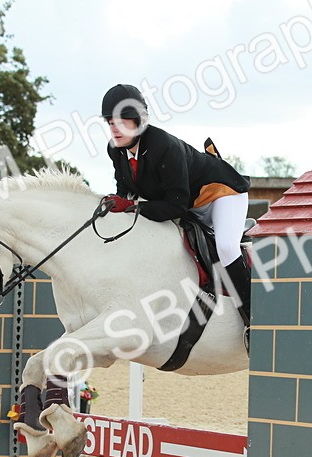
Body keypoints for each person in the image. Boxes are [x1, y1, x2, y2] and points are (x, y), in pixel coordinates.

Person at [100, 84, 253, 320]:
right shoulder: (115, 151)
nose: (114, 129)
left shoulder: (165, 146)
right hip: (190, 206)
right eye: (110, 122)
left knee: (225, 246)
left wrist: (136, 208)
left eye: (121, 122)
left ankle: (253, 317)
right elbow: (126, 193)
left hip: (222, 194)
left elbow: (175, 205)